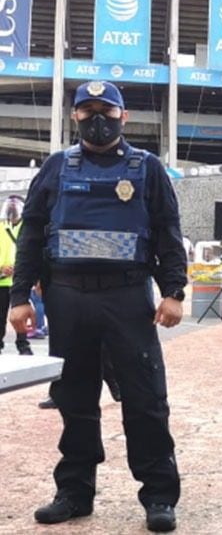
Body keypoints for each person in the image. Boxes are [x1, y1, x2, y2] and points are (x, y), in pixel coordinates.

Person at [8, 80, 186, 532]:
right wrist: (20, 296)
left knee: (146, 401)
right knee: (75, 399)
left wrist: (174, 291)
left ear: (124, 116)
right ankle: (74, 491)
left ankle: (159, 496)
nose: (97, 119)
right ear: (74, 117)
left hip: (127, 299)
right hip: (67, 299)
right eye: (86, 111)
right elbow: (31, 234)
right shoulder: (55, 168)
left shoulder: (146, 168)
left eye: (106, 110)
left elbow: (168, 231)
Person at [0, 195, 31, 354]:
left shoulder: (28, 228)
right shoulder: (0, 227)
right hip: (2, 281)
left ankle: (23, 343)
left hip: (20, 280)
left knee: (20, 313)